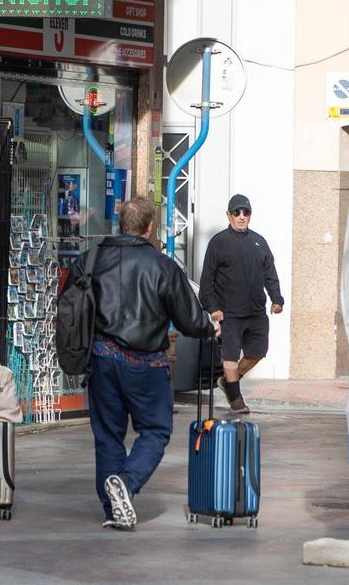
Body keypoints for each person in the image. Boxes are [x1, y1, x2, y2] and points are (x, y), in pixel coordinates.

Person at [72, 197, 218, 530]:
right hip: (145, 364)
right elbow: (190, 321)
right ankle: (126, 481)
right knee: (156, 429)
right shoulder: (163, 267)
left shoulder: (90, 261)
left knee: (108, 436)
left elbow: (71, 308)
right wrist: (209, 324)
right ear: (150, 228)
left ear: (121, 223)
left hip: (102, 358)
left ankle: (113, 509)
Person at [198, 194, 284, 414]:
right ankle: (236, 398)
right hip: (230, 314)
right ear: (229, 215)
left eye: (246, 213)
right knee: (230, 357)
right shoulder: (218, 242)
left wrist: (276, 299)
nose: (241, 217)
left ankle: (228, 383)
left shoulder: (259, 242)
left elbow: (270, 273)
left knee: (258, 352)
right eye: (237, 213)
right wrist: (212, 307)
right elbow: (207, 280)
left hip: (256, 312)